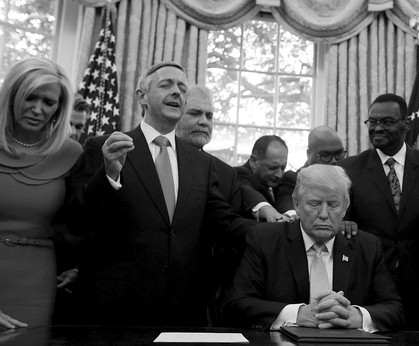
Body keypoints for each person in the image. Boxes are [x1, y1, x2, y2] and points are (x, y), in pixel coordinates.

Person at [69, 62, 254, 326]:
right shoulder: (105, 148)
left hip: (181, 313)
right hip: (114, 313)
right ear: (141, 97)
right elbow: (77, 221)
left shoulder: (202, 164)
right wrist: (109, 174)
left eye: (182, 88)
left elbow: (223, 224)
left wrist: (286, 232)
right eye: (166, 85)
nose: (177, 92)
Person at [224, 164, 404, 332]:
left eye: (333, 205)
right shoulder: (265, 239)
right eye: (314, 204)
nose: (324, 214)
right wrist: (297, 315)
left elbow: (394, 309)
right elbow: (237, 304)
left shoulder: (366, 247)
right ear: (297, 205)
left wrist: (356, 316)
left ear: (345, 207)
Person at [174, 84, 286, 323]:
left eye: (209, 115)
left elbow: (229, 228)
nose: (204, 121)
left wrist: (280, 230)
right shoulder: (147, 156)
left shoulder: (224, 173)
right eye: (194, 113)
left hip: (204, 297)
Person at [338, 93, 419, 330]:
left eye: (387, 122)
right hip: (370, 286)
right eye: (372, 122)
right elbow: (341, 220)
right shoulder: (347, 169)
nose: (377, 128)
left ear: (406, 124)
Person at [0, 57, 83, 329]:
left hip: (38, 277)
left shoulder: (71, 153)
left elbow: (81, 218)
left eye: (48, 102)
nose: (38, 109)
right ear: (12, 96)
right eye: (30, 97)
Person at [275, 125, 347, 216]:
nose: (334, 161)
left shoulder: (348, 179)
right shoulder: (294, 179)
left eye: (339, 153)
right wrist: (294, 216)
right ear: (309, 154)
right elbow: (287, 205)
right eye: (326, 155)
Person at [236, 135, 288, 209]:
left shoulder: (281, 183)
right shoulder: (237, 178)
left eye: (283, 167)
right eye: (273, 167)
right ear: (254, 162)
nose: (279, 175)